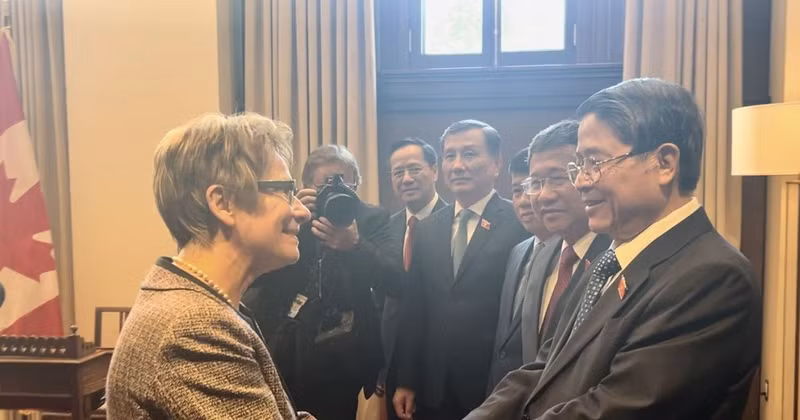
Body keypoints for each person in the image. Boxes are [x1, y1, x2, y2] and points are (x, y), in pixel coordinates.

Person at [466, 78, 761, 420]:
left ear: (664, 163)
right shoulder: (609, 261)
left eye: (595, 163)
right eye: (579, 166)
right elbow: (545, 367)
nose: (581, 181)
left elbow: (614, 408)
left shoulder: (712, 277)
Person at [106, 113, 314, 419]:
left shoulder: (201, 305)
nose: (302, 211)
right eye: (284, 189)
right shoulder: (194, 327)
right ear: (223, 203)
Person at [243, 145, 402, 420]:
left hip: (342, 355)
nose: (336, 190)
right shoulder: (293, 215)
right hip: (282, 345)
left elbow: (395, 280)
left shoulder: (371, 218)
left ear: (357, 184)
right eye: (325, 185)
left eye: (344, 183)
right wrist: (293, 221)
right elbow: (257, 273)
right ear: (305, 187)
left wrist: (355, 245)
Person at [393, 120, 530, 420]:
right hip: (433, 386)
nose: (457, 165)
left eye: (469, 154)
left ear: (496, 164)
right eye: (449, 156)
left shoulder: (519, 223)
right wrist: (406, 378)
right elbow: (415, 308)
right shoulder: (427, 228)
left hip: (492, 384)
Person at [519, 120, 611, 368]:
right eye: (536, 183)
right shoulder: (542, 253)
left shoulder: (615, 258)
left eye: (558, 179)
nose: (544, 195)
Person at [383, 137, 447, 418]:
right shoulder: (386, 228)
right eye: (398, 173)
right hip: (391, 367)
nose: (406, 179)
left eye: (414, 169)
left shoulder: (454, 224)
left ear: (434, 170)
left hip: (441, 371)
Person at [485, 148, 555, 394]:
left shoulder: (575, 259)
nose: (525, 199)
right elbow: (501, 345)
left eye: (532, 187)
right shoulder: (517, 252)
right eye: (517, 190)